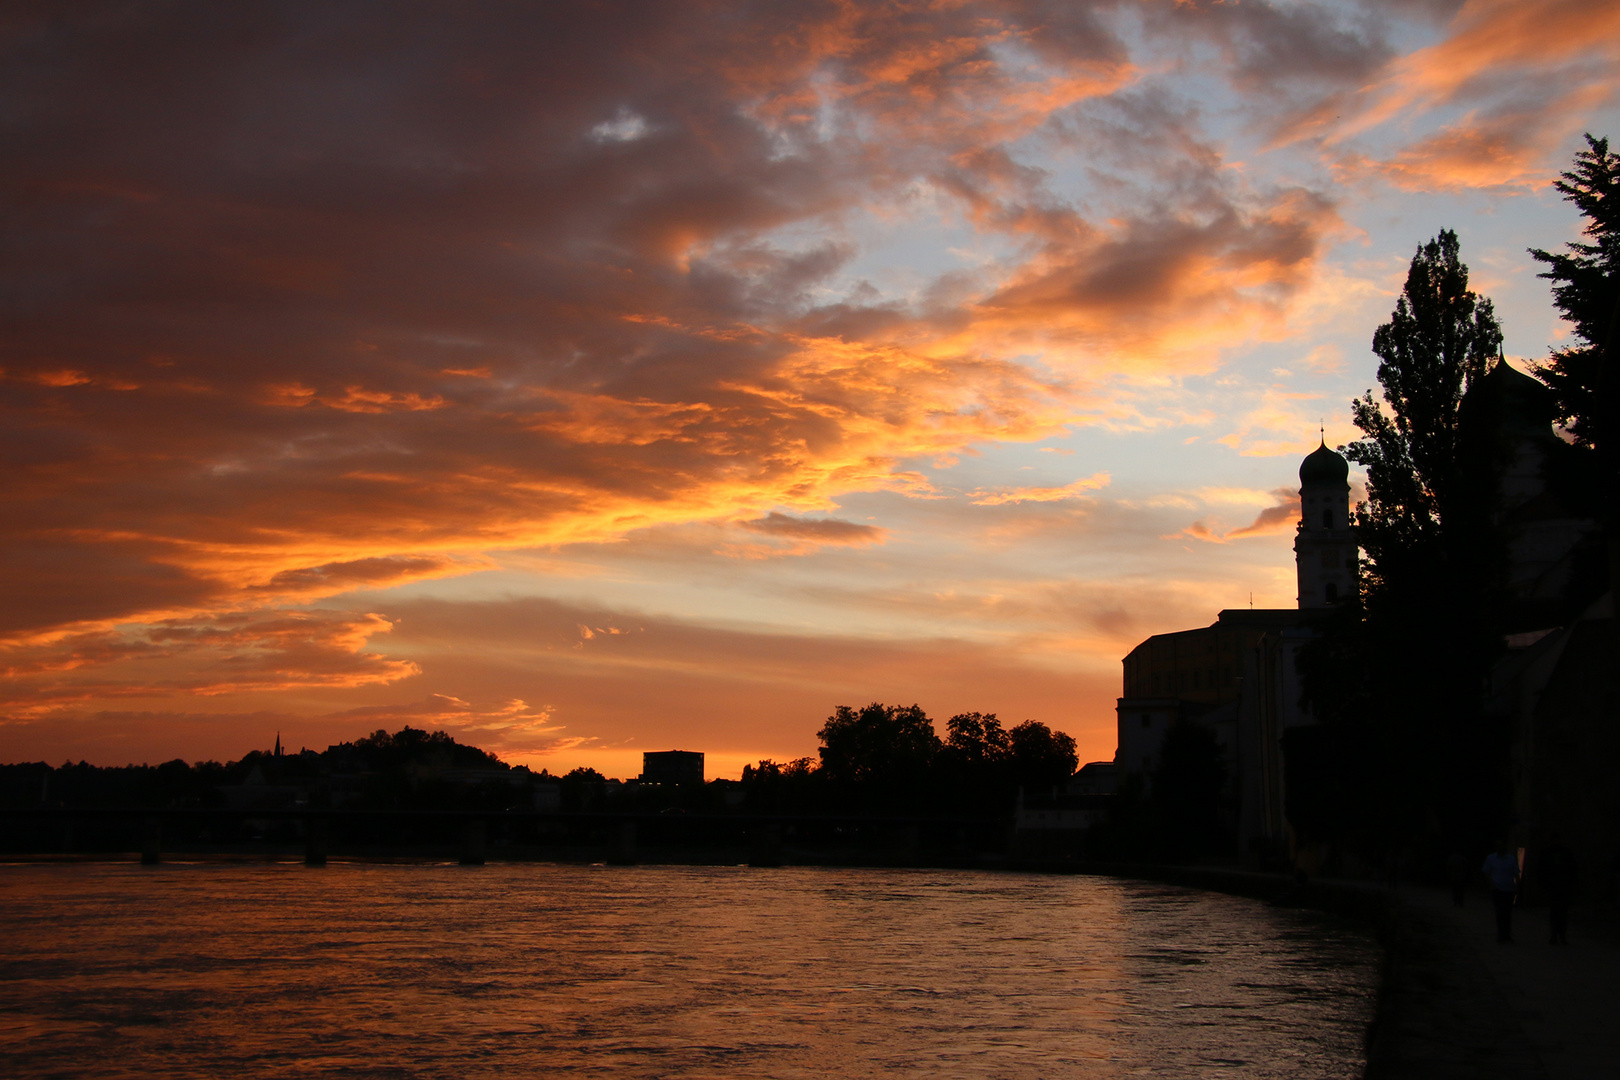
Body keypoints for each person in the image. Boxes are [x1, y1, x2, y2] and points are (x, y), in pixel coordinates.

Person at [1538, 838, 1579, 945]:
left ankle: (1558, 936)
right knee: (1558, 913)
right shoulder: (1556, 854)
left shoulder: (1559, 854)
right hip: (1558, 887)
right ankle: (1557, 936)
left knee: (1559, 913)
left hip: (1560, 887)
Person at [1482, 840, 1520, 943]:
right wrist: (1491, 884)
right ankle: (1501, 934)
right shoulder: (1491, 858)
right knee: (1499, 912)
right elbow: (1486, 872)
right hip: (1497, 889)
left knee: (1507, 913)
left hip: (1508, 889)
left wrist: (1517, 886)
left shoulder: (1511, 859)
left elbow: (1516, 873)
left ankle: (1506, 934)